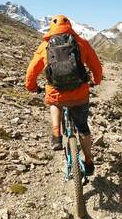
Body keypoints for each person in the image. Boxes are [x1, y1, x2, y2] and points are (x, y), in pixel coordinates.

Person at [25, 15, 102, 176]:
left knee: (55, 101)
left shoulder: (45, 46)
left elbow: (32, 72)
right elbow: (96, 66)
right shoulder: (82, 43)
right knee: (82, 128)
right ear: (69, 26)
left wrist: (32, 88)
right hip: (80, 93)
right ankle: (88, 161)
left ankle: (56, 134)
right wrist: (96, 81)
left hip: (56, 92)